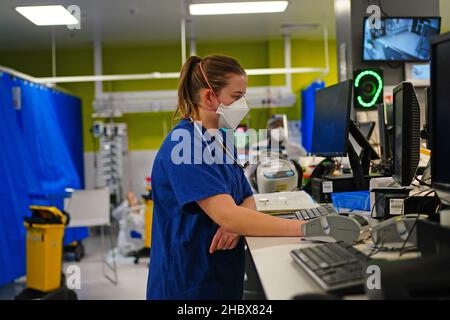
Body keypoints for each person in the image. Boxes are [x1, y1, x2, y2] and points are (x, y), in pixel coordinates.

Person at [147, 55, 306, 300]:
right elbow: (228, 214)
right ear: (210, 97)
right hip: (189, 283)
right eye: (236, 97)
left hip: (219, 273)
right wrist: (306, 228)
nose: (244, 104)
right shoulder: (186, 146)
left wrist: (235, 223)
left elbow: (246, 197)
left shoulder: (221, 140)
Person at [111, 191, 145, 256]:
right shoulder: (127, 213)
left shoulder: (142, 210)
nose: (134, 199)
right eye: (131, 198)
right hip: (131, 238)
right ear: (127, 201)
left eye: (134, 197)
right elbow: (114, 214)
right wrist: (124, 206)